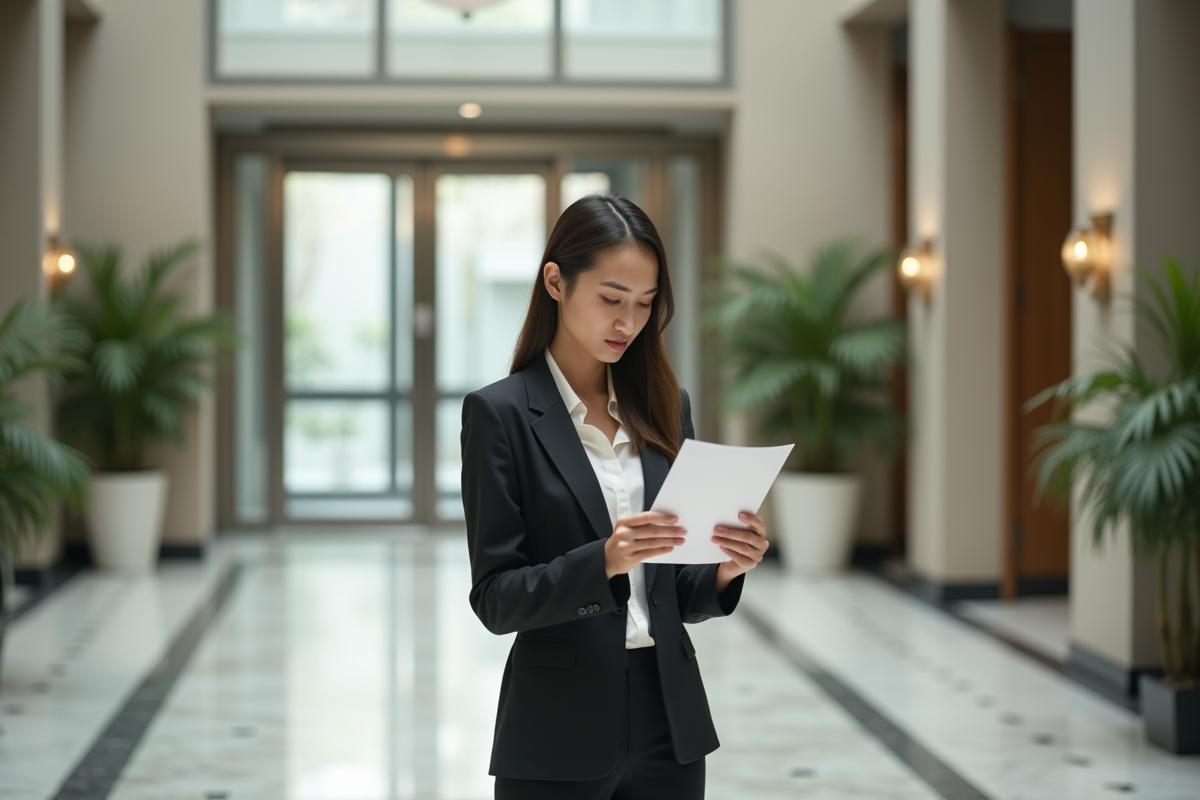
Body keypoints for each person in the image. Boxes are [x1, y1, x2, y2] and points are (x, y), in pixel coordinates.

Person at [460, 194, 770, 800]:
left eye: (645, 304)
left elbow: (678, 590)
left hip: (670, 721)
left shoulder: (664, 407)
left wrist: (726, 570)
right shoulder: (498, 415)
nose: (628, 322)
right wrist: (604, 560)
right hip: (556, 728)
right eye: (611, 299)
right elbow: (496, 601)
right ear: (555, 281)